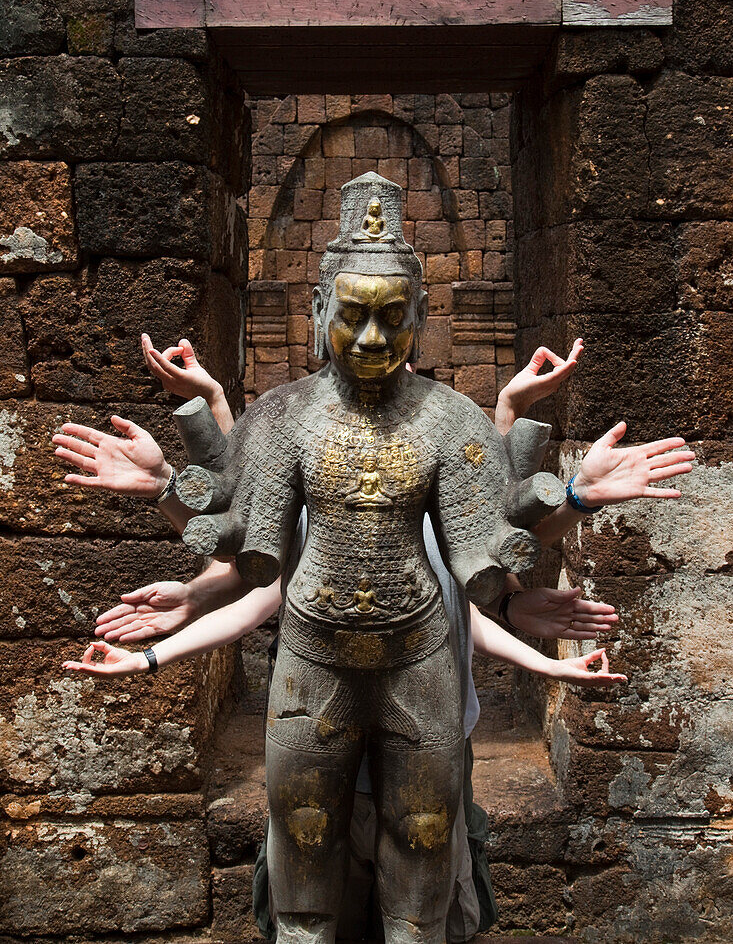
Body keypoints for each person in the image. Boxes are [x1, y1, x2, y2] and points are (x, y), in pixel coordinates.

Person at [55, 173, 694, 944]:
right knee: (301, 839)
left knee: (425, 840)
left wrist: (570, 489)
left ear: (418, 319)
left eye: (392, 319)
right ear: (319, 309)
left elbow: (491, 544)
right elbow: (240, 532)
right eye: (351, 317)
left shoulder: (446, 419)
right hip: (312, 651)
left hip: (418, 654)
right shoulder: (286, 417)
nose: (370, 340)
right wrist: (171, 470)